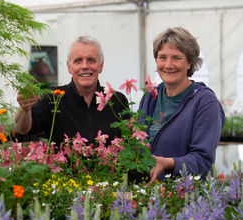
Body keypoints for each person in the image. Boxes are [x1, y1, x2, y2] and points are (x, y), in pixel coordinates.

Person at [140, 27, 225, 183]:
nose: (168, 65)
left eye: (176, 58)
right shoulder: (150, 96)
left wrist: (168, 163)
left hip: (186, 197)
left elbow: (203, 161)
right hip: (149, 193)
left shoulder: (204, 102)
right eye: (162, 57)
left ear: (189, 62)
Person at [15, 35, 128, 147]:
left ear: (101, 66)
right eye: (78, 61)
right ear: (69, 66)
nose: (84, 66)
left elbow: (129, 141)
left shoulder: (117, 100)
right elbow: (22, 129)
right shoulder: (52, 97)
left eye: (91, 60)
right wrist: (25, 109)